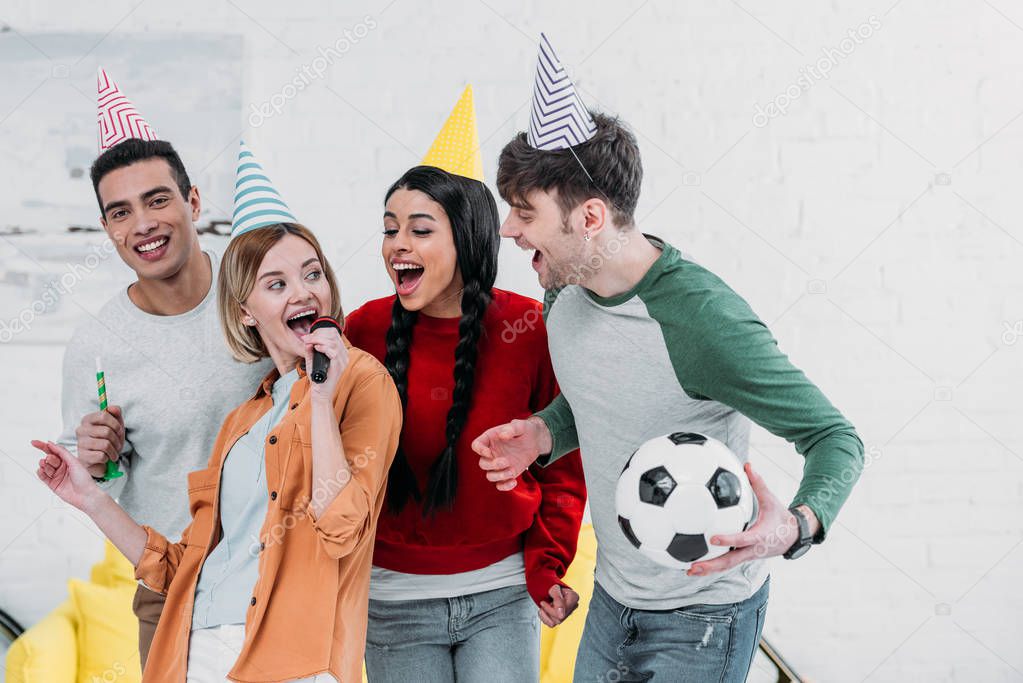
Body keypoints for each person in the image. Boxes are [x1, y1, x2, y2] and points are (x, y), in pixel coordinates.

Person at [474, 35, 863, 682]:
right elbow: (605, 389)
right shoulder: (563, 295)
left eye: (524, 213)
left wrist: (791, 527)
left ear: (589, 216)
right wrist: (544, 432)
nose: (508, 230)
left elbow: (835, 438)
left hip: (703, 619)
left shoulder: (702, 321)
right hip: (611, 601)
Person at [35, 144, 401, 682]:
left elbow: (342, 527)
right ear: (247, 314)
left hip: (286, 651)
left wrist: (320, 399)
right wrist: (89, 492)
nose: (303, 292)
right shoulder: (244, 418)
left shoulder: (359, 381)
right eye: (276, 284)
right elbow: (187, 562)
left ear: (192, 201)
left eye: (313, 274)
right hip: (190, 640)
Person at [344, 87, 586, 683]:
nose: (398, 243)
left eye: (420, 230)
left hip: (501, 597)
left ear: (468, 237)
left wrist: (548, 567)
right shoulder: (362, 330)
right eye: (390, 229)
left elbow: (564, 466)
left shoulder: (530, 328)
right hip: (392, 600)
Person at [62, 69, 273, 668]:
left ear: (193, 202)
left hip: (283, 574)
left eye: (157, 200)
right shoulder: (96, 347)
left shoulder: (261, 294)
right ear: (107, 229)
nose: (143, 224)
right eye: (121, 212)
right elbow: (92, 482)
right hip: (173, 585)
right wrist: (98, 461)